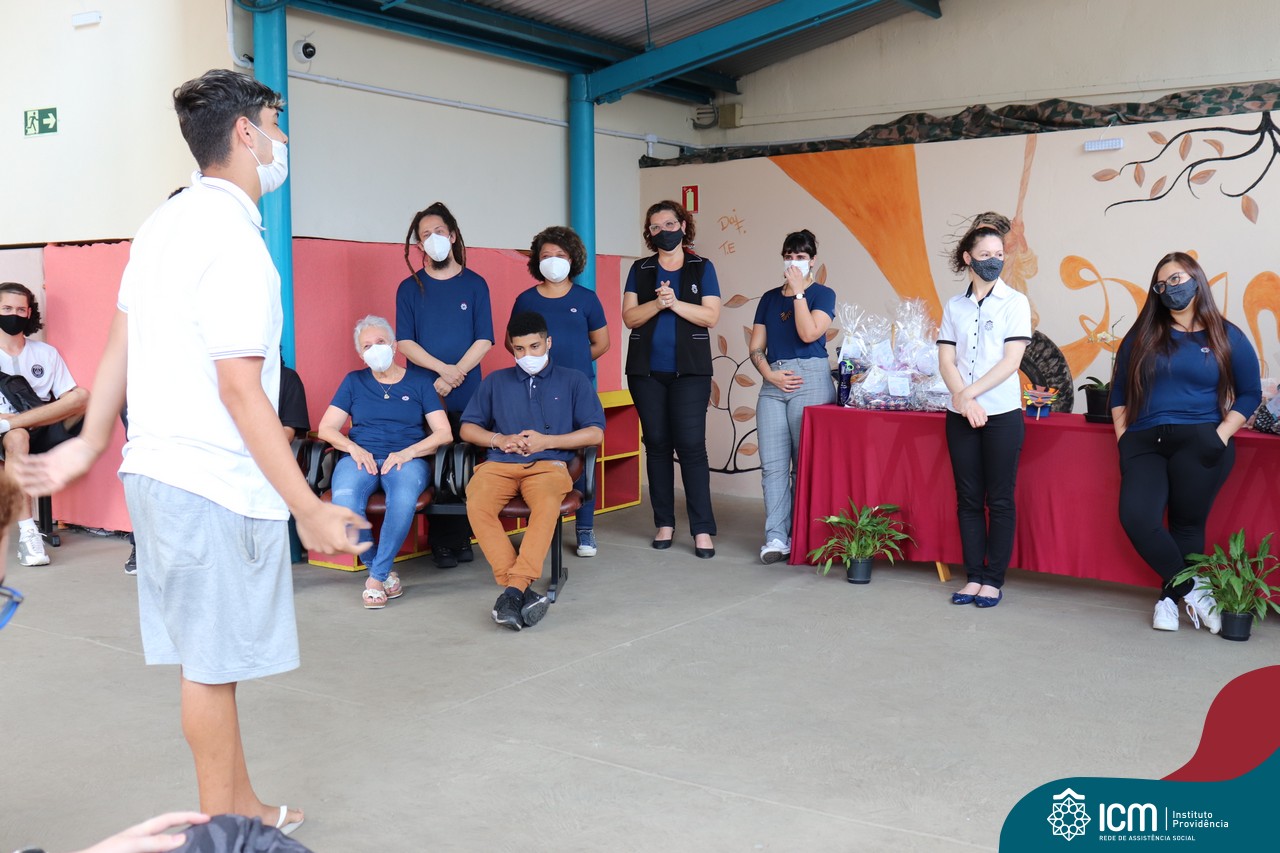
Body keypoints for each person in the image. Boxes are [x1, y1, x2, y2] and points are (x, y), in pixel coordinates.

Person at [14, 68, 366, 835]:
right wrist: (308, 507)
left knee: (213, 664)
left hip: (159, 473)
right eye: (275, 123)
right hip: (210, 480)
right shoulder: (236, 245)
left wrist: (92, 442)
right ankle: (223, 836)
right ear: (246, 133)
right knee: (210, 668)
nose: (281, 139)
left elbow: (120, 335)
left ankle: (241, 804)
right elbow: (241, 390)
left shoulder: (164, 222)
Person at [1110, 252, 1261, 633]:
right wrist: (1124, 439)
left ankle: (1168, 600)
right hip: (1145, 440)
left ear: (1196, 279)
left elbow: (1250, 393)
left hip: (1202, 441)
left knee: (1187, 526)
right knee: (1137, 517)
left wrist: (1221, 435)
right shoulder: (1142, 335)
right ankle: (1196, 590)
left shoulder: (1226, 334)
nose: (1170, 288)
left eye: (1177, 279)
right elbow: (1119, 393)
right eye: (1161, 284)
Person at [460, 311, 604, 631]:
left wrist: (547, 441)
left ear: (548, 342)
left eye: (535, 346)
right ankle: (519, 590)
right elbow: (468, 428)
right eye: (519, 349)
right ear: (512, 348)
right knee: (477, 503)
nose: (527, 355)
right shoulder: (495, 381)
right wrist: (499, 439)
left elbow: (595, 433)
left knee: (546, 505)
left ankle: (513, 590)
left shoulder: (574, 380)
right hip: (499, 463)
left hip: (548, 466)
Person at [122, 353, 307, 576]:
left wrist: (247, 448)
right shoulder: (211, 378)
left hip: (258, 458)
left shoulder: (285, 379)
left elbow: (288, 432)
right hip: (208, 456)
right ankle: (147, 548)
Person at [317, 316, 451, 609]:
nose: (375, 349)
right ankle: (382, 573)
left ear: (393, 345)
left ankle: (376, 579)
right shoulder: (353, 382)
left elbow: (444, 433)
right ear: (360, 354)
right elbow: (326, 428)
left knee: (402, 499)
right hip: (360, 456)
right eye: (367, 346)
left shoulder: (420, 382)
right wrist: (352, 448)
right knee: (344, 502)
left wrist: (408, 453)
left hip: (407, 459)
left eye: (380, 342)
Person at [936, 226, 1032, 608]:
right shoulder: (954, 306)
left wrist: (967, 394)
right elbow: (946, 359)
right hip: (960, 416)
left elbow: (1011, 361)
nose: (994, 261)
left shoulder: (1015, 303)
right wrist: (963, 402)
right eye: (985, 255)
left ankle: (994, 580)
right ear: (968, 258)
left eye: (999, 254)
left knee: (1001, 499)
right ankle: (974, 576)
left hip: (1002, 415)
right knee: (968, 499)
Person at [396, 202, 494, 569]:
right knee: (435, 462)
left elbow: (484, 339)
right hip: (425, 392)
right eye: (425, 235)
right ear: (419, 245)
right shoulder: (409, 288)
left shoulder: (475, 284)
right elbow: (405, 342)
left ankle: (463, 537)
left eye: (439, 232)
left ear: (452, 236)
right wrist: (441, 371)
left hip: (468, 392)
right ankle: (441, 543)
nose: (433, 239)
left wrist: (456, 374)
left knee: (466, 463)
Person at [622, 200, 721, 558]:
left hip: (691, 373)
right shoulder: (640, 269)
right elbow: (629, 318)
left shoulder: (702, 267)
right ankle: (664, 523)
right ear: (649, 233)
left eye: (669, 224)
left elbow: (710, 317)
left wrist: (675, 302)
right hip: (646, 373)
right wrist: (658, 303)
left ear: (682, 225)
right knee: (657, 445)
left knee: (691, 446)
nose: (663, 231)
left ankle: (702, 528)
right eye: (655, 226)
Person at [510, 225, 609, 558]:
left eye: (560, 255)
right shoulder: (526, 299)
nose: (553, 260)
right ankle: (540, 524)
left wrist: (572, 365)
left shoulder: (586, 299)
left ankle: (585, 528)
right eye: (546, 255)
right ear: (537, 261)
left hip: (578, 389)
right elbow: (514, 342)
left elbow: (601, 343)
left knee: (582, 453)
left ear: (573, 259)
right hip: (534, 389)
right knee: (539, 452)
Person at [747, 230, 836, 564]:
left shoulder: (823, 294)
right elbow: (756, 347)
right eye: (789, 255)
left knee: (805, 465)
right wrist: (768, 374)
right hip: (774, 380)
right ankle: (775, 536)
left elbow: (809, 333)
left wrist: (799, 293)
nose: (794, 262)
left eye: (801, 256)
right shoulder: (769, 298)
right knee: (772, 466)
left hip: (810, 377)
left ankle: (802, 534)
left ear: (812, 260)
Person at [0, 281, 89, 567]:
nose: (14, 314)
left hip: (40, 425)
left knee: (82, 396)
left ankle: (13, 424)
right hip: (9, 436)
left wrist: (19, 421)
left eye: (20, 310)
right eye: (6, 308)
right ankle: (29, 535)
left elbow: (69, 398)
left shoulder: (46, 353)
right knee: (17, 438)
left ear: (29, 313)